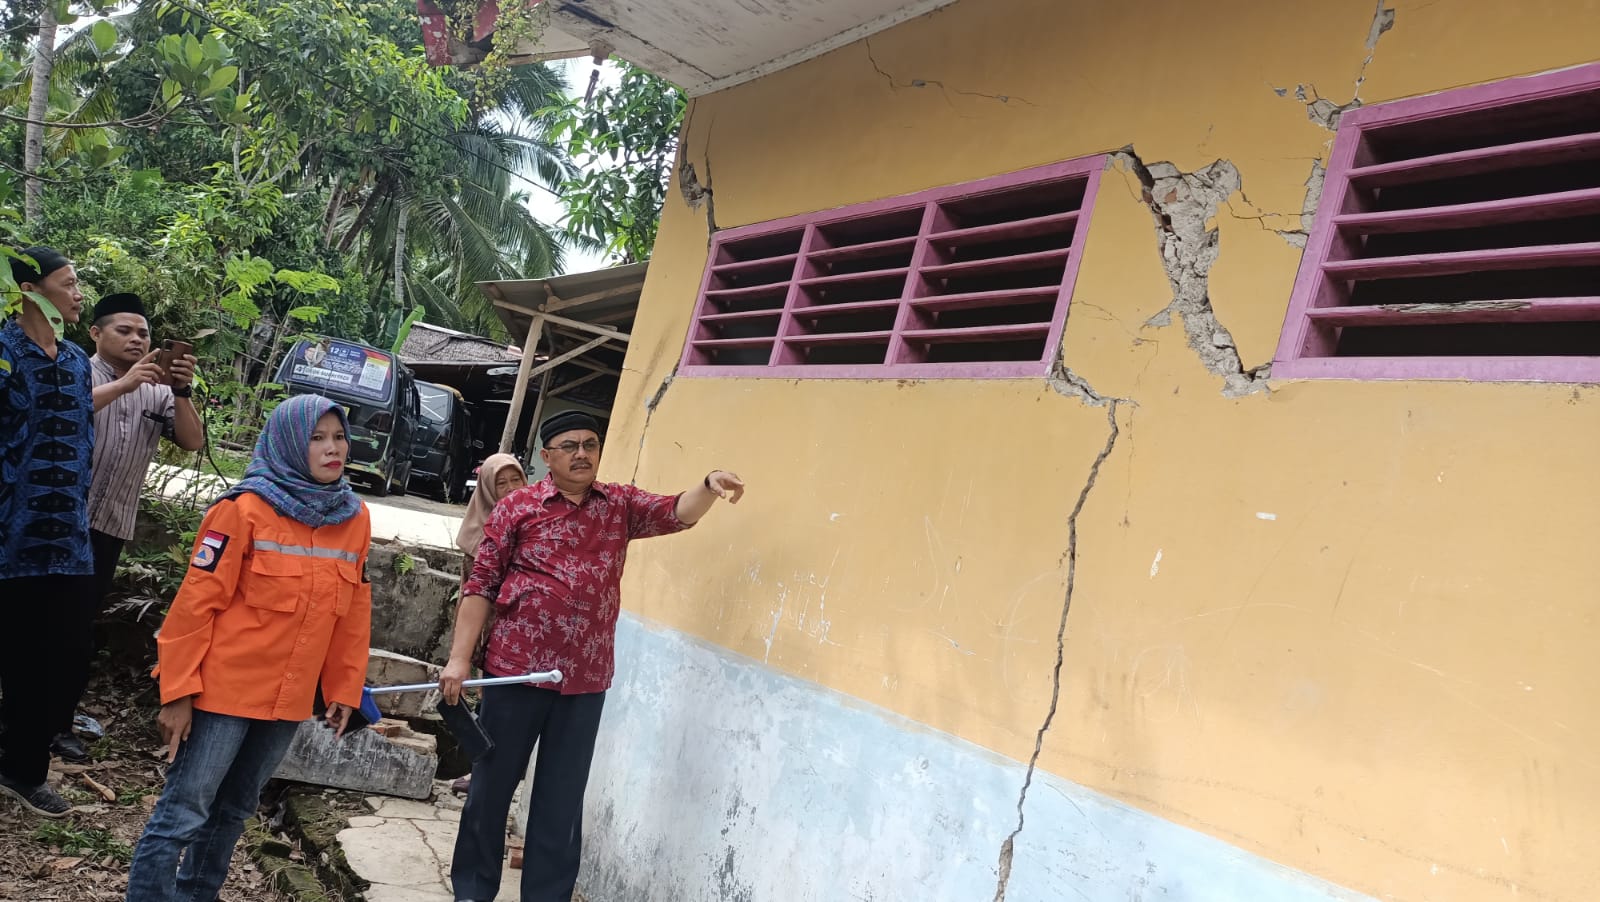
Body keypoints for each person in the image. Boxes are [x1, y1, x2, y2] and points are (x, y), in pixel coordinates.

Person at [441, 410, 745, 902]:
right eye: (569, 446)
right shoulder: (518, 507)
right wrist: (458, 660)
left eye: (590, 444)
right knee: (490, 791)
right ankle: (472, 892)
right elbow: (481, 586)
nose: (581, 453)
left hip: (583, 682)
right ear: (546, 456)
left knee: (560, 804)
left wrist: (708, 484)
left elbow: (677, 511)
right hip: (514, 672)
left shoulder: (618, 505)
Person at [125, 394, 373, 902]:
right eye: (317, 438)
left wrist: (344, 688)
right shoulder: (241, 510)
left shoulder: (355, 518)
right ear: (286, 443)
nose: (333, 449)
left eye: (339, 437)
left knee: (237, 808)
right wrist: (177, 692)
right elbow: (195, 606)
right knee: (186, 809)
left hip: (288, 700)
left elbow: (352, 616)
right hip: (223, 694)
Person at [48, 293, 205, 764]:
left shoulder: (158, 391)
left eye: (144, 333)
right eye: (125, 331)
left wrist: (180, 392)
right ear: (95, 334)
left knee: (77, 630)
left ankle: (56, 723)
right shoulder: (74, 370)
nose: (137, 340)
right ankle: (25, 716)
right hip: (56, 520)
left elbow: (193, 441)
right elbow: (64, 411)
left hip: (109, 525)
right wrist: (127, 383)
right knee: (37, 622)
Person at [0, 247, 98, 819]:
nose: (78, 293)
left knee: (58, 660)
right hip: (10, 540)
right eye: (70, 283)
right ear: (31, 289)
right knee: (11, 654)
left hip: (68, 543)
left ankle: (24, 771)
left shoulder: (77, 361)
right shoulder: (3, 352)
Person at [447, 452, 528, 795]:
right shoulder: (478, 531)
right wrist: (466, 649)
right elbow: (471, 590)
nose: (510, 490)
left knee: (515, 711)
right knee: (490, 704)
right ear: (486, 490)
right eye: (501, 483)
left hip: (525, 633)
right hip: (489, 631)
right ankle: (481, 771)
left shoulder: (537, 521)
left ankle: (498, 774)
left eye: (516, 480)